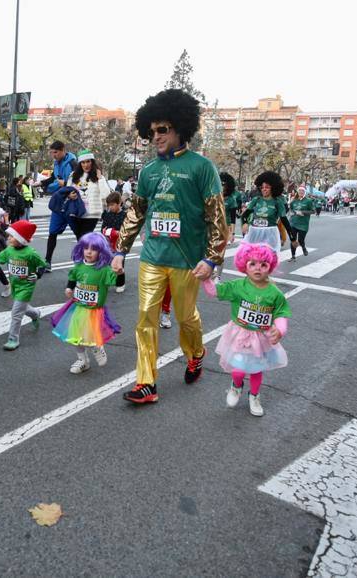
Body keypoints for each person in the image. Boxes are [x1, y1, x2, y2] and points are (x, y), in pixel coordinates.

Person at [112, 89, 229, 404]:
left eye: (162, 130)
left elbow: (218, 218)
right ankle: (146, 383)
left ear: (181, 127)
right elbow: (136, 212)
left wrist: (213, 258)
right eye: (152, 131)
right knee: (145, 320)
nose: (156, 137)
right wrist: (120, 250)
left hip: (187, 261)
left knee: (185, 317)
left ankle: (196, 352)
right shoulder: (148, 171)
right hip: (152, 258)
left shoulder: (202, 168)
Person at [202, 242, 290, 417]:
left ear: (270, 267)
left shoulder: (275, 293)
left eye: (263, 265)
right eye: (253, 264)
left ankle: (254, 395)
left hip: (261, 338)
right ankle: (236, 386)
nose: (258, 269)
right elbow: (215, 292)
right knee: (238, 369)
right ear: (244, 265)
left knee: (256, 370)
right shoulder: (237, 286)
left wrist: (280, 330)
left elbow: (281, 313)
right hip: (240, 334)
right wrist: (206, 278)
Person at [51, 232, 121, 374]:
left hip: (94, 311)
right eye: (86, 248)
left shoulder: (104, 270)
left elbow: (118, 282)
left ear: (101, 252)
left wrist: (120, 273)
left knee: (90, 337)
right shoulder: (78, 266)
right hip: (77, 307)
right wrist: (69, 288)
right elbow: (72, 278)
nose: (89, 252)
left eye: (93, 249)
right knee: (73, 338)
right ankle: (83, 360)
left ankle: (97, 347)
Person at [0, 220, 47, 351]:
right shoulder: (9, 250)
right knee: (22, 308)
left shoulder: (30, 253)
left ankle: (13, 339)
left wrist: (37, 274)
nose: (8, 238)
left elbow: (43, 264)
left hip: (26, 287)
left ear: (21, 239)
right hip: (15, 285)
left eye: (12, 236)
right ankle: (35, 314)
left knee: (16, 313)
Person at [41, 141, 79, 272]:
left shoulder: (73, 163)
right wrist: (41, 183)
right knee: (52, 232)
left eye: (55, 152)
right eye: (51, 152)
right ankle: (47, 261)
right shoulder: (56, 163)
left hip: (72, 204)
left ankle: (84, 262)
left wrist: (67, 186)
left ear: (63, 150)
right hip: (59, 204)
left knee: (80, 234)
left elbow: (79, 181)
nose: (53, 155)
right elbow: (53, 177)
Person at [242, 171, 291, 253]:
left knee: (267, 258)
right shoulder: (256, 200)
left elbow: (285, 220)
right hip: (254, 231)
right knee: (251, 256)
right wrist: (245, 223)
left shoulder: (277, 202)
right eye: (262, 187)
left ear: (273, 188)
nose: (264, 189)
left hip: (270, 232)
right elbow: (245, 214)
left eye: (267, 187)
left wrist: (292, 238)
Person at [66, 149, 109, 239]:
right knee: (80, 239)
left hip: (92, 214)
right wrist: (69, 195)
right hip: (75, 212)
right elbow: (66, 191)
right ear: (80, 164)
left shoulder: (98, 177)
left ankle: (81, 253)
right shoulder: (73, 176)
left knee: (83, 239)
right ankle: (81, 253)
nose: (86, 165)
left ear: (92, 162)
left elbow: (106, 195)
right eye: (83, 162)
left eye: (88, 162)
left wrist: (100, 178)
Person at [99, 191, 127, 293]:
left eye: (112, 205)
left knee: (119, 264)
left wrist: (118, 232)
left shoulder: (125, 215)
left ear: (119, 203)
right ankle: (106, 281)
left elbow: (127, 230)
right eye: (109, 205)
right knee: (105, 263)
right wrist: (104, 232)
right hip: (108, 242)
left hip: (120, 243)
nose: (110, 207)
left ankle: (120, 283)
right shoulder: (107, 214)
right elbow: (103, 227)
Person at [288, 186, 316, 261]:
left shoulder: (308, 201)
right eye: (299, 191)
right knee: (293, 240)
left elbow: (313, 211)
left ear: (304, 192)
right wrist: (291, 212)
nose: (301, 192)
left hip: (303, 224)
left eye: (302, 191)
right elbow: (290, 209)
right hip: (293, 223)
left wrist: (302, 212)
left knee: (300, 240)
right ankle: (293, 256)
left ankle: (303, 247)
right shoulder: (294, 200)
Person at [221, 172, 241, 242]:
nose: (221, 186)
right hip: (213, 226)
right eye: (219, 184)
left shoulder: (231, 199)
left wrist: (232, 233)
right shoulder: (214, 197)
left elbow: (233, 218)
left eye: (223, 184)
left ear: (228, 186)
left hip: (226, 227)